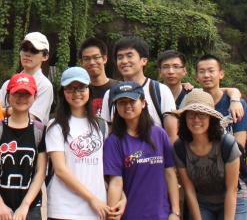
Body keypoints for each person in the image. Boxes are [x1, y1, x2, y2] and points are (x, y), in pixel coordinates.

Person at [45, 67, 122, 220]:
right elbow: (60, 170)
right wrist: (91, 199)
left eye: (81, 88)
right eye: (70, 89)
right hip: (65, 208)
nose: (76, 93)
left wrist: (122, 197)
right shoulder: (56, 126)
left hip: (97, 207)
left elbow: (107, 168)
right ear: (63, 93)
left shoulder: (101, 125)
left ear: (89, 90)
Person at [104, 82, 180, 220]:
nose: (127, 106)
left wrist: (175, 212)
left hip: (161, 214)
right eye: (121, 102)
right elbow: (115, 182)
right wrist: (112, 214)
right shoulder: (113, 141)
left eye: (132, 101)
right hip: (131, 215)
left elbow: (170, 173)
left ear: (143, 103)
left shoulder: (159, 134)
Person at [0, 73, 47, 220]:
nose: (21, 98)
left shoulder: (40, 131)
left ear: (35, 97)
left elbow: (40, 172)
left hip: (29, 207)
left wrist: (25, 205)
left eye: (26, 94)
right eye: (17, 93)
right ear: (8, 96)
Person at [172, 89, 245, 220]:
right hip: (203, 202)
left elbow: (232, 189)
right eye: (191, 115)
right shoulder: (180, 147)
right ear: (185, 118)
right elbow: (189, 189)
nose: (196, 120)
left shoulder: (227, 144)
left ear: (211, 118)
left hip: (232, 199)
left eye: (202, 115)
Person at [100, 37, 178, 142]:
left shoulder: (160, 91)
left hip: (156, 155)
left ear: (144, 60)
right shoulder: (110, 95)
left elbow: (172, 136)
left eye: (129, 56)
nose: (124, 61)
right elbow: (108, 134)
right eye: (120, 57)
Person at [158, 51, 244, 123]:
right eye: (165, 67)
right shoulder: (152, 93)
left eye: (176, 66)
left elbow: (219, 90)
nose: (171, 71)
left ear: (184, 71)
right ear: (160, 71)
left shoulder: (194, 95)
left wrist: (235, 100)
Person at [195, 55, 247, 148]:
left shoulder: (237, 104)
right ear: (197, 77)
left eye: (211, 71)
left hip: (230, 159)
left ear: (221, 74)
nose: (206, 75)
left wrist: (234, 100)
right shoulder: (193, 104)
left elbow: (239, 147)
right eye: (202, 72)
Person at [0, 32, 54, 122]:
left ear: (45, 56)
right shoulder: (8, 83)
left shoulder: (45, 85)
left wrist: (6, 111)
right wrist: (11, 111)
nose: (27, 54)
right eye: (25, 49)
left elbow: (30, 119)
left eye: (34, 50)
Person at [78, 37, 114, 118]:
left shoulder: (118, 88)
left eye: (96, 57)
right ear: (81, 62)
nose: (92, 62)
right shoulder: (79, 91)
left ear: (104, 59)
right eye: (86, 59)